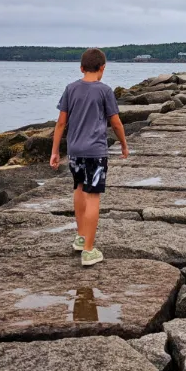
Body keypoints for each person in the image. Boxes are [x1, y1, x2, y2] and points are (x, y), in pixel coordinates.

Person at [50, 48, 128, 267]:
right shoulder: (105, 91)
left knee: (79, 188)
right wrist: (123, 144)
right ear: (102, 68)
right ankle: (89, 250)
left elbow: (60, 123)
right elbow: (116, 122)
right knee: (93, 196)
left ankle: (81, 237)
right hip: (95, 152)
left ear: (81, 68)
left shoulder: (70, 89)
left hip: (74, 151)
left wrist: (55, 151)